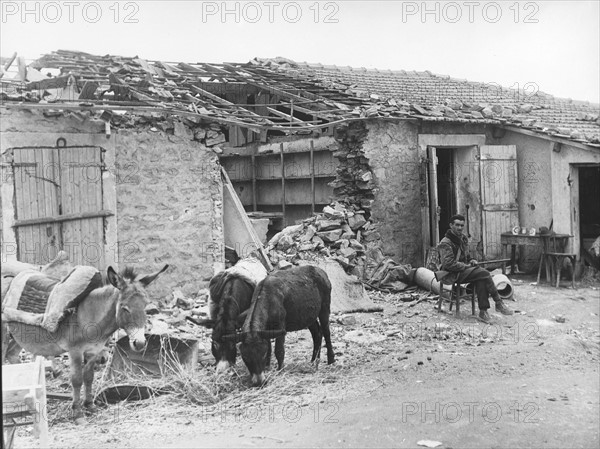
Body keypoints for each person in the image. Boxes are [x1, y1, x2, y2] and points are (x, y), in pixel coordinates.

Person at [437, 214, 513, 323]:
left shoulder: (462, 238)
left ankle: (483, 311)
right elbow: (448, 264)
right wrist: (466, 266)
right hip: (452, 274)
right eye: (457, 225)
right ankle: (498, 302)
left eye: (462, 225)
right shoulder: (445, 242)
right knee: (485, 273)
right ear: (451, 225)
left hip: (463, 271)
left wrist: (472, 260)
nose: (459, 228)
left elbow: (467, 256)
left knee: (481, 277)